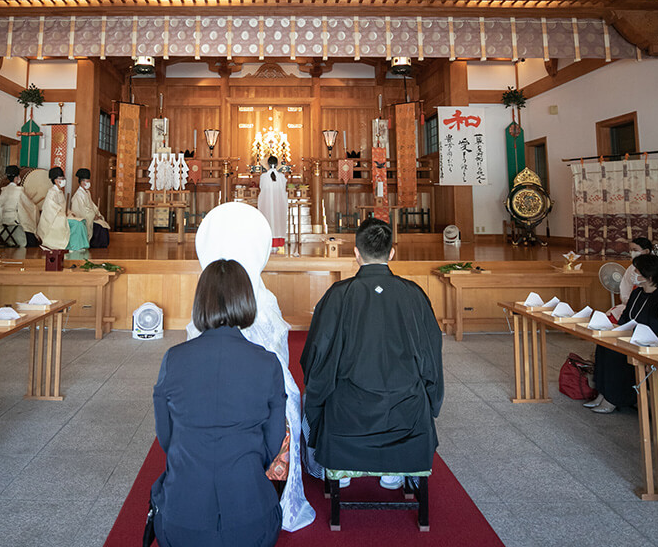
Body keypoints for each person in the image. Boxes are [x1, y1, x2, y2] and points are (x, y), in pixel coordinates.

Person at [188, 202, 314, 531]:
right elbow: (279, 364)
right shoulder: (264, 299)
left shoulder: (202, 299)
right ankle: (269, 485)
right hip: (261, 403)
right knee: (289, 402)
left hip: (205, 409)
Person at [300, 217, 444, 488]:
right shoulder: (414, 295)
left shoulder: (338, 295)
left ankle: (340, 467)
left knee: (309, 396)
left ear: (356, 253)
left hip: (347, 413)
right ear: (392, 252)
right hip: (406, 412)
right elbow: (431, 354)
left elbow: (317, 356)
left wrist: (316, 396)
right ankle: (394, 469)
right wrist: (432, 402)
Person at [151, 259, 286, 547]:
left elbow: (166, 438)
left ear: (201, 302)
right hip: (252, 524)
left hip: (181, 523)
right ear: (246, 300)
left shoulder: (174, 359)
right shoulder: (267, 363)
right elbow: (272, 444)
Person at [587, 254, 658, 414]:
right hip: (629, 336)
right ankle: (603, 392)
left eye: (637, 271)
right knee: (603, 346)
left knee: (615, 354)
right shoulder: (637, 293)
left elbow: (656, 327)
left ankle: (613, 398)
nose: (633, 274)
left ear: (649, 276)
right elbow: (626, 317)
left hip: (646, 342)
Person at [610, 238, 658, 318]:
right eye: (630, 250)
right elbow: (625, 290)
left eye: (635, 250)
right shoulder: (636, 293)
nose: (632, 253)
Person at [37, 167, 89, 252]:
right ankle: (73, 246)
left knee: (82, 221)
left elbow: (63, 207)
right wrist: (63, 215)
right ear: (55, 180)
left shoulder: (60, 192)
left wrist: (70, 212)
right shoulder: (51, 192)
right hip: (54, 219)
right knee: (77, 224)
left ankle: (80, 245)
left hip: (62, 216)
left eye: (63, 178)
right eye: (61, 179)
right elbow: (51, 210)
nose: (63, 180)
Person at [0, 164, 38, 247]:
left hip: (5, 220)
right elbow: (30, 207)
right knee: (32, 240)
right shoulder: (19, 191)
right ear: (16, 178)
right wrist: (34, 207)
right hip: (16, 221)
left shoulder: (4, 190)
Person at [69, 168, 110, 249]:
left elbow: (92, 206)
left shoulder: (87, 193)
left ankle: (101, 245)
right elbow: (82, 210)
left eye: (88, 181)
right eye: (86, 181)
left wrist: (97, 213)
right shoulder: (78, 195)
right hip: (85, 217)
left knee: (102, 223)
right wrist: (93, 216)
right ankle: (95, 244)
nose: (88, 183)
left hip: (91, 216)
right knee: (99, 227)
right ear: (81, 182)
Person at [257, 156, 288, 249]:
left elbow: (261, 188)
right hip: (279, 203)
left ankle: (268, 243)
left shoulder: (263, 176)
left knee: (268, 220)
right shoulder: (282, 177)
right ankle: (277, 243)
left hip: (266, 203)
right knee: (278, 221)